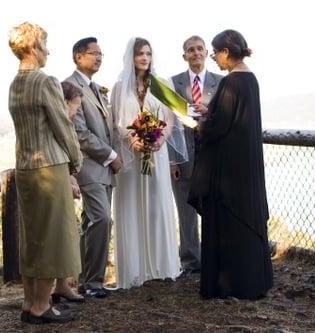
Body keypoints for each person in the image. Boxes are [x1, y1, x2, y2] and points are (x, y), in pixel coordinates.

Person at [188, 29, 273, 299]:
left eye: (215, 53)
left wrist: (200, 125)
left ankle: (229, 284)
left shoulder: (230, 83)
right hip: (246, 167)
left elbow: (218, 128)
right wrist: (210, 112)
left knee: (228, 223)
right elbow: (232, 117)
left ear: (226, 52)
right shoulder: (251, 80)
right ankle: (252, 281)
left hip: (227, 172)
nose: (214, 59)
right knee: (245, 222)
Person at [7, 22, 82, 323]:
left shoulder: (15, 83)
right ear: (33, 48)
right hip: (49, 168)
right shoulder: (45, 81)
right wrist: (75, 161)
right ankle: (41, 306)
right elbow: (62, 125)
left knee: (33, 239)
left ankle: (29, 304)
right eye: (45, 45)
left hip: (24, 167)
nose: (48, 50)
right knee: (53, 238)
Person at [111, 37, 188, 289]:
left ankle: (162, 266)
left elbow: (172, 118)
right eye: (140, 54)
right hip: (132, 157)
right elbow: (116, 123)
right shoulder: (120, 87)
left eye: (148, 53)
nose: (145, 58)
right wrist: (132, 138)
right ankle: (135, 271)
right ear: (130, 57)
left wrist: (161, 138)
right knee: (132, 204)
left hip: (158, 152)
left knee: (157, 205)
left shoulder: (161, 84)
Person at [64, 37, 122, 298]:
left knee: (90, 221)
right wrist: (111, 155)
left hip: (104, 169)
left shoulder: (97, 88)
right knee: (101, 218)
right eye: (93, 53)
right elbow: (80, 133)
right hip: (87, 165)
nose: (99, 58)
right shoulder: (68, 85)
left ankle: (84, 282)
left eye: (101, 54)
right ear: (78, 57)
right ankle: (94, 282)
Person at [169, 36, 223, 276]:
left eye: (200, 49)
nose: (196, 53)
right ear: (185, 56)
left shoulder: (221, 83)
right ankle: (190, 261)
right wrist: (172, 159)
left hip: (212, 155)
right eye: (191, 50)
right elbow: (167, 123)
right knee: (185, 210)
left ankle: (213, 257)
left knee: (214, 208)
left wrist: (209, 111)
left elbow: (225, 117)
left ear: (206, 52)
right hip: (183, 156)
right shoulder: (173, 83)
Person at [48, 81, 86, 304]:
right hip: (53, 181)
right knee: (57, 235)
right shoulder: (55, 124)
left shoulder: (66, 122)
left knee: (67, 234)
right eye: (76, 107)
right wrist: (68, 180)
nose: (76, 112)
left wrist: (71, 177)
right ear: (64, 103)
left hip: (65, 177)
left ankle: (62, 285)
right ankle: (51, 289)